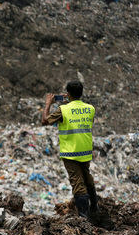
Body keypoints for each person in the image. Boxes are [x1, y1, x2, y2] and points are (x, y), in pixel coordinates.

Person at [41, 81, 98, 218]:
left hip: (71, 153)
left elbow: (45, 121)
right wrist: (70, 99)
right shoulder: (90, 108)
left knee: (77, 184)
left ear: (68, 94)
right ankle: (95, 207)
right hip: (85, 151)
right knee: (87, 178)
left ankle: (84, 218)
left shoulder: (63, 109)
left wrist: (49, 103)